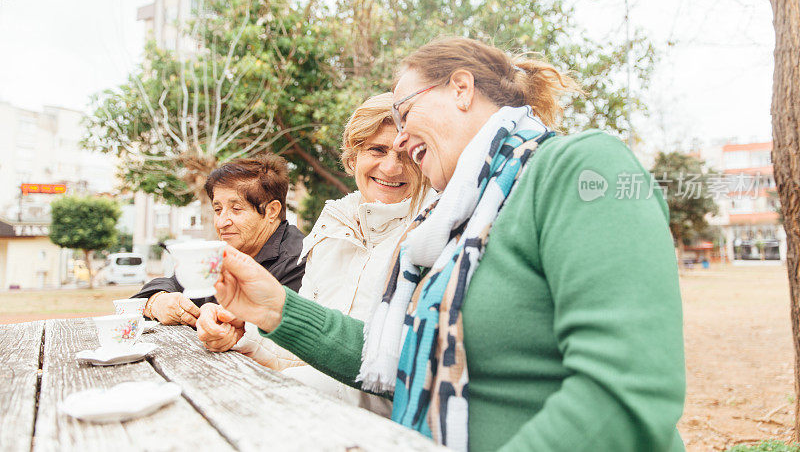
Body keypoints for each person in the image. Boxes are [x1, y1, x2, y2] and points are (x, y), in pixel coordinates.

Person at [212, 37, 686, 451]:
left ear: (461, 89)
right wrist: (278, 308)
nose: (399, 140)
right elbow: (395, 356)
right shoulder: (451, 221)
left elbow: (627, 395)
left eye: (403, 113)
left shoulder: (583, 168)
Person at [196, 93, 430, 416]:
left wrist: (279, 393)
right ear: (353, 158)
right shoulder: (332, 228)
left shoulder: (434, 236)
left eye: (406, 153)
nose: (391, 166)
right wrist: (242, 333)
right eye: (377, 149)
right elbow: (310, 348)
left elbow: (402, 374)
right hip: (308, 413)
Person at [132, 154, 305, 327]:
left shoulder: (299, 261)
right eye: (218, 209)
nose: (222, 223)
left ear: (272, 211)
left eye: (236, 209)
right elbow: (170, 284)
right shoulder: (221, 253)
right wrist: (158, 302)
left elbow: (275, 330)